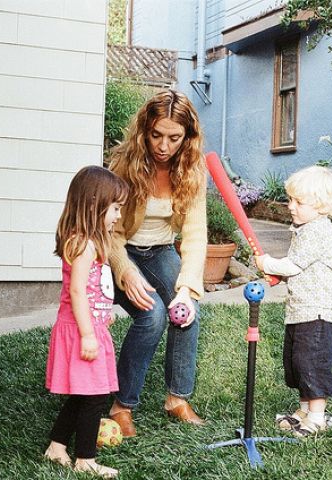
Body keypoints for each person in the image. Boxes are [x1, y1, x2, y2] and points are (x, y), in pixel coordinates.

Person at [107, 90, 207, 437]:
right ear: (145, 130)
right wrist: (125, 270)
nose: (163, 146)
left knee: (188, 310)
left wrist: (186, 288)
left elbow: (195, 235)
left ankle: (176, 398)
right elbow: (109, 232)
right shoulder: (124, 163)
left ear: (187, 138)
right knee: (151, 317)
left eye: (174, 138)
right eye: (156, 135)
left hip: (161, 251)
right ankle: (122, 405)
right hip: (120, 252)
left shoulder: (192, 169)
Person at [44, 166, 129, 478]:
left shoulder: (91, 241)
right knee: (94, 397)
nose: (118, 215)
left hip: (91, 328)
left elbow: (94, 290)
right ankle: (86, 459)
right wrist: (89, 334)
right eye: (116, 208)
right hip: (81, 332)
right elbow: (77, 290)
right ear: (95, 205)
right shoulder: (83, 244)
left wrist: (101, 320)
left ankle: (56, 447)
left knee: (84, 394)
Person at [254, 166, 332, 438]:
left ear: (320, 206)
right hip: (301, 311)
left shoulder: (318, 228)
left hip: (319, 314)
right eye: (290, 199)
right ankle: (304, 411)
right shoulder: (304, 229)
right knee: (297, 363)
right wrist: (277, 274)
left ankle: (316, 417)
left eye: (298, 202)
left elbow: (294, 265)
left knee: (311, 363)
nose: (290, 206)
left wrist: (266, 262)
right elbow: (299, 269)